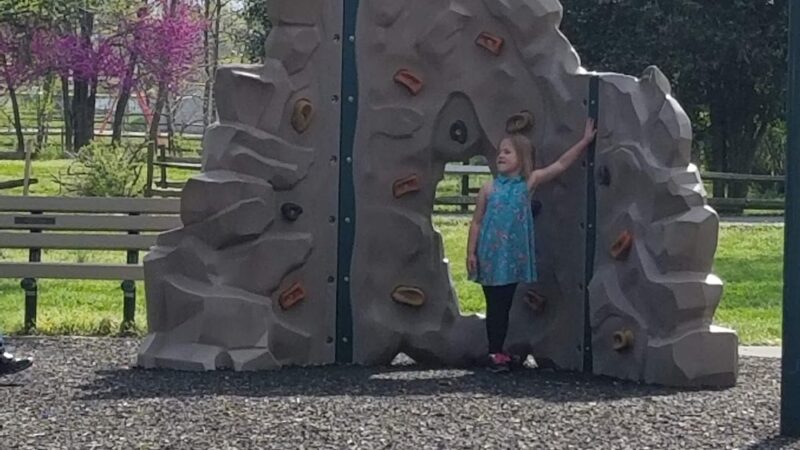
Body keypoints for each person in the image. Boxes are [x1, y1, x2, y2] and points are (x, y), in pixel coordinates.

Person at [467, 118, 597, 372]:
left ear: (522, 158)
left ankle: (497, 351)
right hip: (490, 256)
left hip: (511, 257)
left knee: (504, 304)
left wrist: (584, 141)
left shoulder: (528, 183)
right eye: (500, 152)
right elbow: (477, 222)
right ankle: (495, 352)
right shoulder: (488, 188)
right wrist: (471, 252)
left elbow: (560, 165)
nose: (501, 156)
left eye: (507, 152)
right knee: (495, 304)